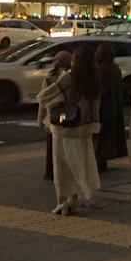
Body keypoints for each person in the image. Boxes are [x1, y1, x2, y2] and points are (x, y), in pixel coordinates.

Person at [37, 44, 102, 215]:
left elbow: (45, 97)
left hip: (65, 129)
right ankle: (73, 200)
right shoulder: (94, 78)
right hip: (85, 129)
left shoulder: (68, 78)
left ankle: (62, 203)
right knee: (79, 165)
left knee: (62, 168)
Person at [93, 43, 128, 173]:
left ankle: (99, 161)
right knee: (111, 134)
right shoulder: (115, 69)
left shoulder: (99, 70)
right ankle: (105, 160)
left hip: (104, 107)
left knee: (101, 136)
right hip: (114, 106)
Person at [40, 50, 72, 181]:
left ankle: (50, 172)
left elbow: (42, 101)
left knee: (51, 146)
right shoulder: (72, 78)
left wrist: (41, 119)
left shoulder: (49, 79)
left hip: (51, 117)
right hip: (69, 115)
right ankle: (66, 171)